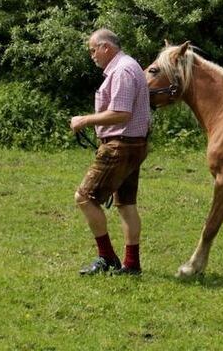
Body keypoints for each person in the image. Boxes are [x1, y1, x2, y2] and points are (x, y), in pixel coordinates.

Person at [70, 29, 151, 275]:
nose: (92, 55)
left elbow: (121, 113)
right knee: (126, 204)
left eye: (93, 50)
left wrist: (85, 120)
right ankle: (132, 264)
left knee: (84, 197)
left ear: (106, 47)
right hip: (132, 144)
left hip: (120, 145)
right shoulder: (128, 66)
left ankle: (106, 258)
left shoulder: (122, 70)